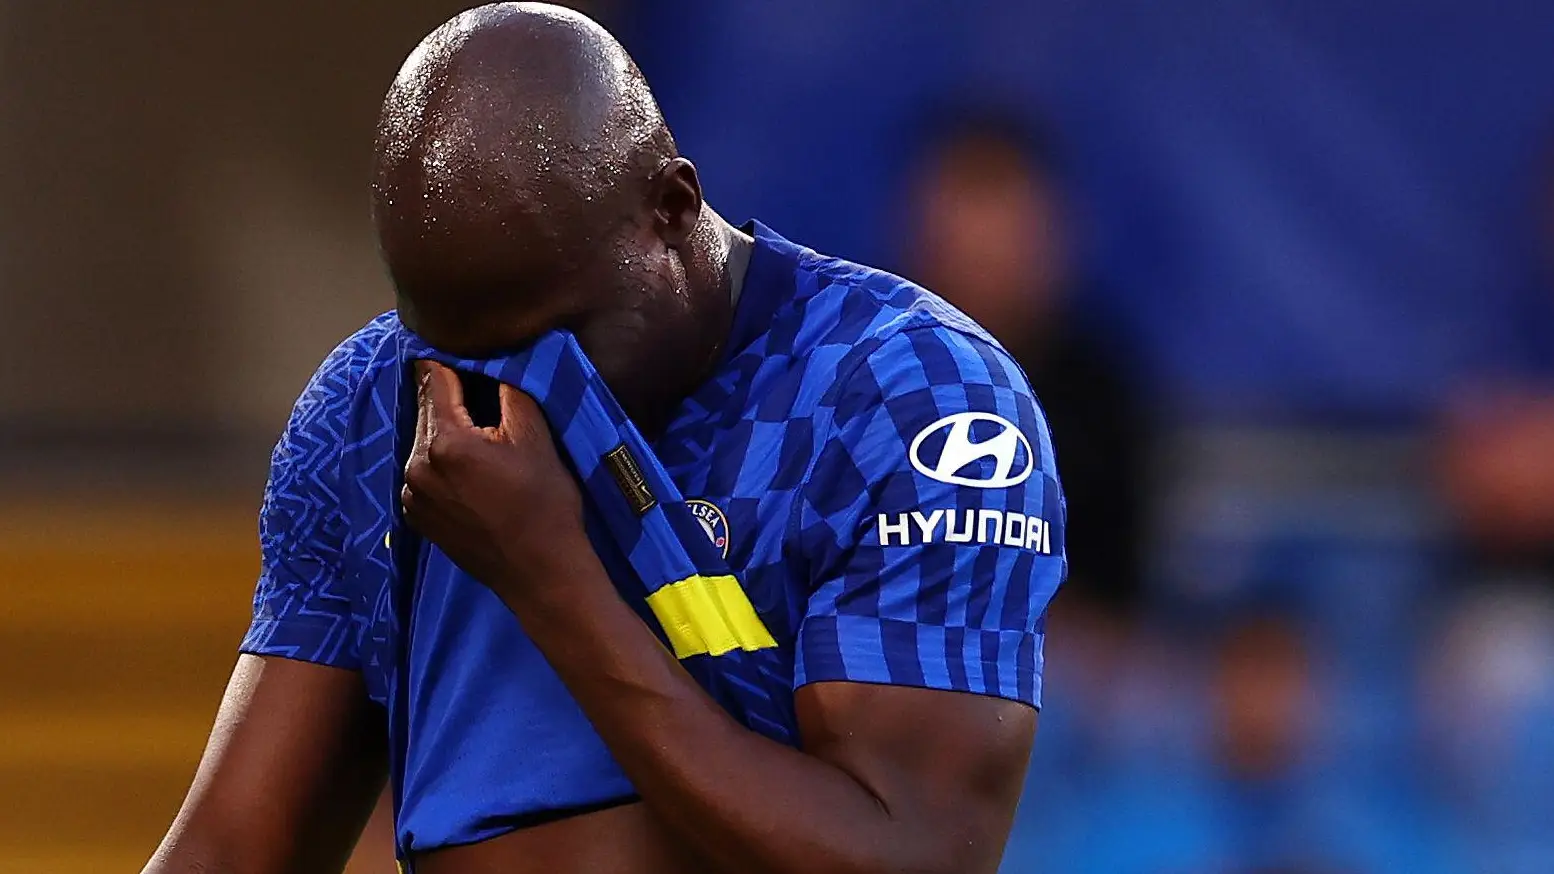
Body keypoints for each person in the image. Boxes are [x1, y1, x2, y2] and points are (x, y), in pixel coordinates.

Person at [142, 4, 1066, 874]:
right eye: (454, 343)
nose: (503, 394)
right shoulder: (374, 402)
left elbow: (916, 852)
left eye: (551, 342)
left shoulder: (911, 397)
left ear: (670, 206)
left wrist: (552, 577)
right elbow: (229, 850)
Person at [902, 112, 1147, 619]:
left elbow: (1121, 610)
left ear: (1050, 235)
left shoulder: (1100, 397)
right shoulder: (857, 378)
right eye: (961, 215)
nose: (978, 248)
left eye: (998, 214)